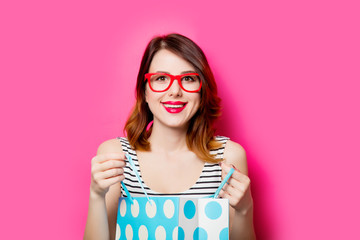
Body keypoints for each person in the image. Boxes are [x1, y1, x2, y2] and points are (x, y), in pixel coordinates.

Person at [84, 33, 256, 240]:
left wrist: (244, 210)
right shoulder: (116, 155)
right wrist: (96, 196)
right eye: (161, 78)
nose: (174, 91)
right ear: (145, 90)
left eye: (188, 79)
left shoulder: (228, 157)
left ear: (202, 91)